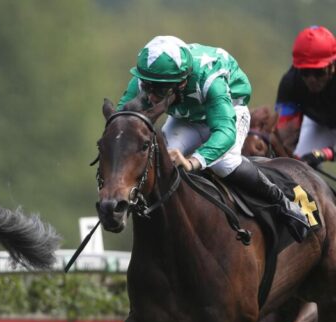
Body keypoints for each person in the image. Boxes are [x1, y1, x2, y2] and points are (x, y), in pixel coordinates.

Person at [117, 35, 310, 242]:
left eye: (161, 89)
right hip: (186, 118)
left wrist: (192, 162)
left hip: (230, 112)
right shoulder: (146, 77)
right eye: (148, 86)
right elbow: (119, 120)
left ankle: (282, 203)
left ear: (182, 82)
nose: (152, 96)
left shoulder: (210, 80)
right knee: (164, 161)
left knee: (224, 164)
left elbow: (225, 132)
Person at [275, 25, 336, 169]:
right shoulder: (290, 82)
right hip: (318, 123)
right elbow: (284, 135)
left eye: (319, 72)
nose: (311, 79)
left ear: (332, 65)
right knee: (296, 165)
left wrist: (325, 153)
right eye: (305, 72)